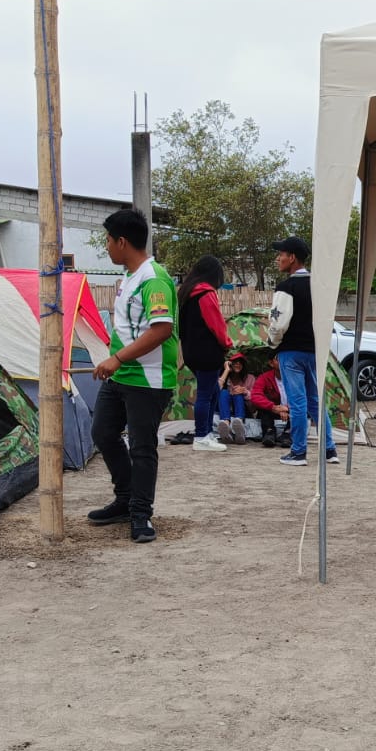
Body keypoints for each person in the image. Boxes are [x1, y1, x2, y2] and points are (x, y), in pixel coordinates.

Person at [88, 208, 179, 542]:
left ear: (122, 242)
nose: (107, 247)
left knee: (142, 447)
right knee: (103, 432)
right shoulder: (129, 277)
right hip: (121, 375)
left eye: (108, 241)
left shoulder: (153, 279)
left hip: (148, 379)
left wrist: (116, 358)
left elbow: (161, 329)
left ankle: (141, 515)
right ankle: (125, 499)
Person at [267, 236, 336, 467]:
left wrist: (272, 344)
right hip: (314, 350)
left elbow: (279, 323)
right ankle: (329, 449)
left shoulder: (286, 287)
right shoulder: (318, 285)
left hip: (291, 351)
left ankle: (298, 452)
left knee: (297, 402)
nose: (278, 258)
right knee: (315, 400)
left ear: (292, 258)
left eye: (281, 254)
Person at [178, 253, 234, 452]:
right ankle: (201, 436)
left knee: (213, 391)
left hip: (190, 351)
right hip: (208, 352)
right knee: (205, 394)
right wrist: (227, 343)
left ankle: (207, 433)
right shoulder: (206, 293)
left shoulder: (186, 293)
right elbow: (216, 324)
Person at [248, 360, 288, 447]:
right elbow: (255, 395)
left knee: (300, 409)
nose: (282, 360)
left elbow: (303, 396)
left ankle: (288, 434)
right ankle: (269, 432)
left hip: (290, 410)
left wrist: (287, 408)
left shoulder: (295, 376)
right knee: (263, 407)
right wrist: (273, 407)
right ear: (271, 363)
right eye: (278, 359)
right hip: (272, 411)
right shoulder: (264, 377)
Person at [216, 351, 253, 445]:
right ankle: (226, 425)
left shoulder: (250, 378)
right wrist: (226, 370)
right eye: (235, 362)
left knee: (238, 394)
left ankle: (239, 426)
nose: (238, 364)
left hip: (243, 408)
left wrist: (244, 391)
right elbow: (215, 391)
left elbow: (256, 397)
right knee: (223, 392)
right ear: (229, 363)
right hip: (224, 408)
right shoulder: (223, 376)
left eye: (240, 362)